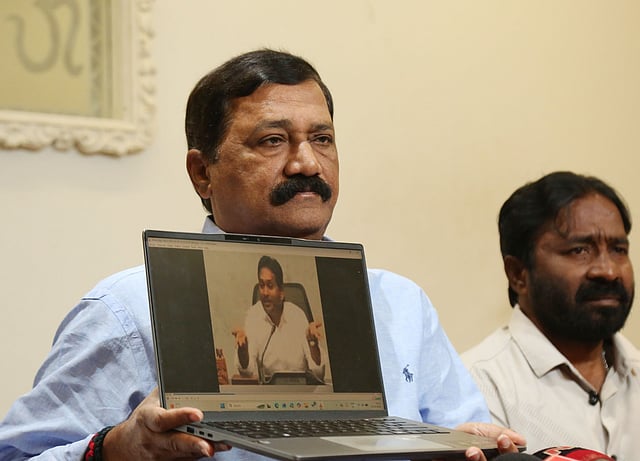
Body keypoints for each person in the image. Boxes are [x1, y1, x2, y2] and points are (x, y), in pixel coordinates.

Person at [0, 49, 523, 460]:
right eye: (273, 140)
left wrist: (467, 445)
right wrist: (117, 448)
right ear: (202, 173)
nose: (306, 163)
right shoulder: (127, 309)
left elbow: (462, 430)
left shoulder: (400, 302)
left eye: (322, 138)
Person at [462, 171, 640, 459]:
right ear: (518, 274)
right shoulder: (477, 386)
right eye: (580, 250)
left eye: (619, 249)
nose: (608, 271)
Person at [233, 255, 325, 383]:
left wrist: (313, 344)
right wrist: (243, 351)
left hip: (300, 389)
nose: (264, 293)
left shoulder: (297, 315)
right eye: (261, 285)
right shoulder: (253, 316)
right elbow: (247, 373)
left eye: (270, 286)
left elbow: (319, 374)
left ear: (281, 292)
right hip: (269, 391)